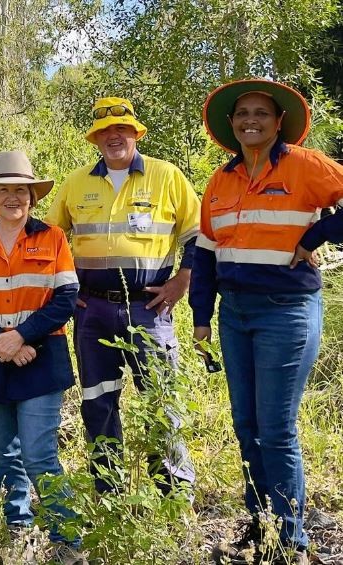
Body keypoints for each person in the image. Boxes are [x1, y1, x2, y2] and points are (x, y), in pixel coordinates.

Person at [191, 79, 343, 565]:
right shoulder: (221, 179)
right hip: (234, 313)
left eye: (261, 113)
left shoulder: (305, 165)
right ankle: (261, 527)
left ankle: (291, 542)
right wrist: (200, 319)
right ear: (231, 125)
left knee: (276, 428)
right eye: (242, 114)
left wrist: (317, 234)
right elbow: (207, 253)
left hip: (287, 310)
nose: (250, 120)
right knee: (246, 424)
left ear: (280, 123)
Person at [45, 97, 200, 494]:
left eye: (122, 130)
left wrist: (183, 279)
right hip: (92, 308)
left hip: (149, 307)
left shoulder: (167, 177)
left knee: (161, 400)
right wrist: (65, 290)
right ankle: (107, 487)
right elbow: (48, 241)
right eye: (105, 132)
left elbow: (199, 235)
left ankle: (172, 490)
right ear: (95, 139)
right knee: (98, 399)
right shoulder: (76, 182)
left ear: (135, 133)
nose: (114, 137)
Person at [0, 151, 86, 564]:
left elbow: (66, 297)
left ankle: (67, 539)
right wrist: (1, 340)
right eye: (5, 190)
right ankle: (19, 527)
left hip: (41, 358)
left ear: (32, 196)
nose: (14, 198)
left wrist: (23, 336)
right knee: (3, 450)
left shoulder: (52, 237)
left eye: (21, 191)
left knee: (39, 453)